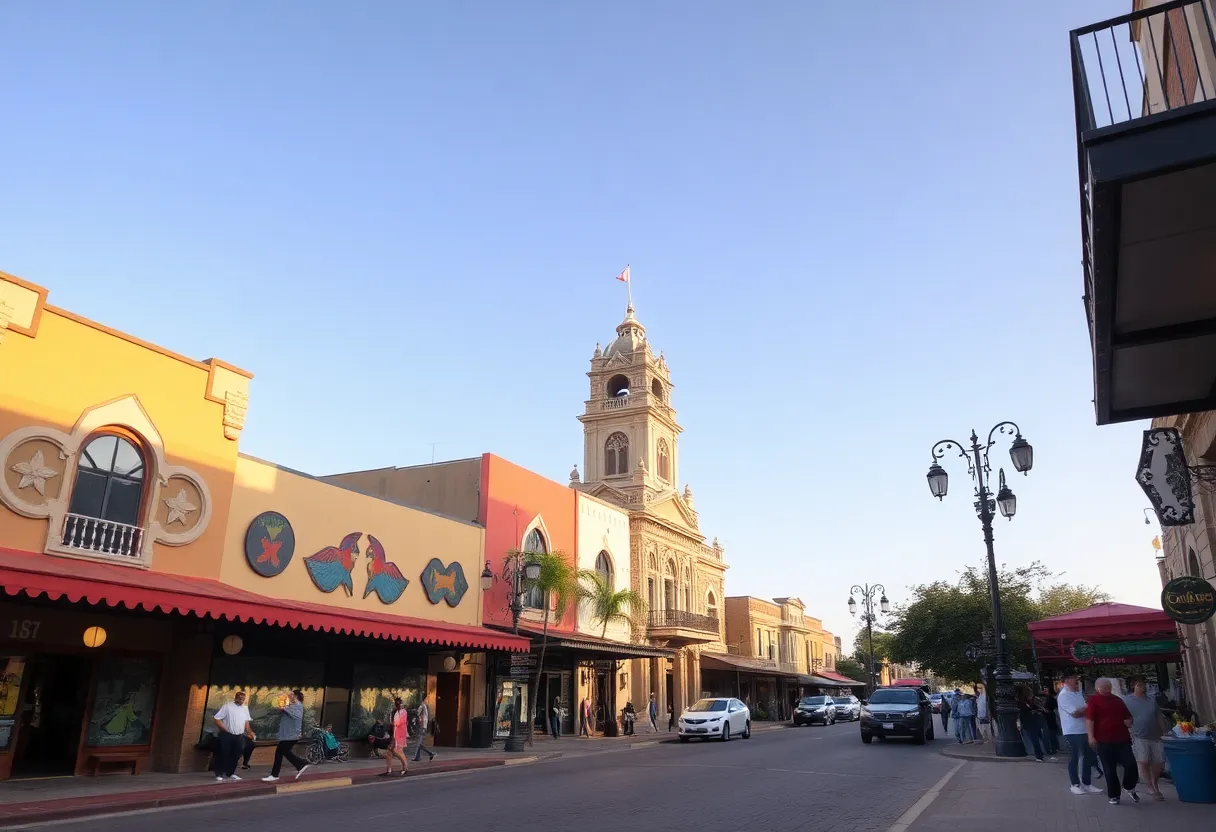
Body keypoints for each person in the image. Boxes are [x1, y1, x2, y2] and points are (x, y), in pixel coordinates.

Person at [1087, 678, 1139, 805]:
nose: (1108, 689)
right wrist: (1091, 736)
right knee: (1109, 769)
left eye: (1109, 687)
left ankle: (1128, 785)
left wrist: (1129, 721)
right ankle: (1114, 795)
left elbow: (1128, 716)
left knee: (1131, 764)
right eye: (1105, 687)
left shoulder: (1117, 700)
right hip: (1104, 740)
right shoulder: (1094, 701)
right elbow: (1090, 719)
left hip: (1121, 739)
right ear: (1098, 688)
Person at [1123, 675, 1168, 801]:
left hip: (1155, 734)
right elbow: (1121, 715)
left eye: (1144, 685)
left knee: (1158, 761)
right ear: (1133, 687)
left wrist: (1164, 730)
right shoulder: (1126, 700)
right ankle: (1150, 787)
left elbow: (1158, 716)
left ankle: (1155, 784)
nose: (1142, 688)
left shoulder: (1151, 700)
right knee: (1143, 760)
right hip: (1137, 734)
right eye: (1139, 685)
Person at [1057, 675, 1102, 795]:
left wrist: (1086, 708)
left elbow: (1082, 710)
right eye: (1074, 679)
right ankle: (1074, 784)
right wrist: (1089, 708)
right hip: (1072, 731)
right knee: (1074, 757)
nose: (1077, 681)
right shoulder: (1064, 696)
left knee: (1088, 756)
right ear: (1066, 681)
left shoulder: (1078, 693)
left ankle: (1086, 783)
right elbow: (1076, 713)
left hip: (1084, 729)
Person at [262, 689, 310, 782]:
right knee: (280, 753)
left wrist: (284, 708)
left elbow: (295, 715)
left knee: (283, 751)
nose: (289, 696)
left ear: (295, 696)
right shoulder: (292, 706)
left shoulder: (298, 706)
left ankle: (301, 763)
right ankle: (275, 774)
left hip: (291, 735)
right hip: (287, 735)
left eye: (291, 695)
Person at [212, 691, 255, 782]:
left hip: (239, 735)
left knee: (236, 754)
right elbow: (217, 719)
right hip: (227, 734)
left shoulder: (245, 708)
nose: (241, 700)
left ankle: (230, 773)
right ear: (235, 698)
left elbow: (246, 721)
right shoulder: (228, 706)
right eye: (239, 698)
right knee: (223, 754)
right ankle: (219, 773)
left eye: (243, 699)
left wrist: (250, 732)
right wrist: (225, 729)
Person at [1017, 686, 1051, 762]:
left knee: (1035, 739)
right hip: (1034, 722)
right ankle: (1042, 753)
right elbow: (1042, 709)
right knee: (1038, 738)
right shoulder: (1030, 702)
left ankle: (1039, 755)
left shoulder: (1024, 703)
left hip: (1029, 723)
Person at [382, 697, 410, 777]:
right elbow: (395, 723)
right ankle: (389, 770)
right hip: (396, 734)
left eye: (399, 704)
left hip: (400, 734)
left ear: (401, 704)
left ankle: (405, 767)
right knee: (389, 752)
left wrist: (392, 724)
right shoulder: (397, 712)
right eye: (396, 704)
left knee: (396, 751)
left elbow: (398, 723)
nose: (398, 706)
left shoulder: (403, 712)